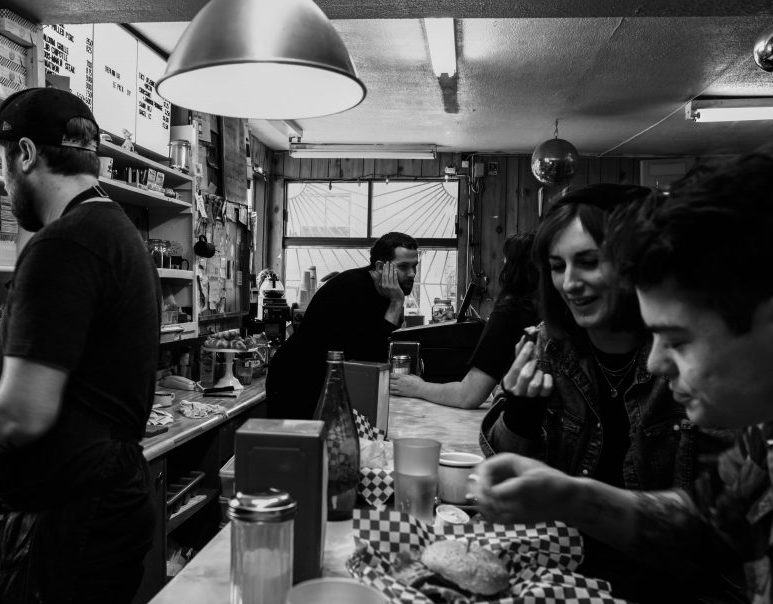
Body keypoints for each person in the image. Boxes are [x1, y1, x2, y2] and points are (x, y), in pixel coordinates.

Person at [472, 149, 773, 602]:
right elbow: (708, 521)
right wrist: (566, 492)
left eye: (679, 340)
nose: (656, 362)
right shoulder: (763, 441)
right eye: (557, 266)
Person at [0, 88, 160, 603]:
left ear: (26, 154)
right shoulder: (118, 232)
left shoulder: (63, 243)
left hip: (69, 522)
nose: (4, 183)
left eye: (2, 164)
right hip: (105, 504)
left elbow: (22, 412)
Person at [265, 232, 419, 420]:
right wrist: (396, 303)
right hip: (296, 380)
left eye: (414, 266)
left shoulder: (387, 291)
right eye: (403, 267)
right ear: (380, 267)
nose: (412, 274)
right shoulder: (351, 289)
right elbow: (370, 357)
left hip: (327, 380)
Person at [390, 232, 539, 409]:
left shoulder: (511, 310)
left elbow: (468, 395)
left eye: (505, 261)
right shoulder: (549, 310)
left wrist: (417, 387)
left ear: (514, 269)